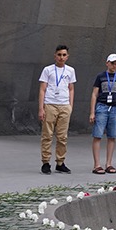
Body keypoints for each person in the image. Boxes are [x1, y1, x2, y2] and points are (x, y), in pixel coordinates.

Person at [38, 45, 76, 174]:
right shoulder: (48, 70)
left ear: (67, 56)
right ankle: (46, 162)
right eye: (59, 55)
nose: (61, 57)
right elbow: (42, 89)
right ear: (55, 56)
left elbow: (71, 89)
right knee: (47, 135)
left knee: (62, 136)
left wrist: (70, 105)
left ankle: (60, 162)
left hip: (64, 105)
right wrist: (41, 108)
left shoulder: (70, 70)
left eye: (64, 55)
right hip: (50, 104)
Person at [90, 54, 116, 174]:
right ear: (107, 63)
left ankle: (108, 163)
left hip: (115, 108)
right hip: (102, 106)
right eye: (112, 63)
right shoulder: (100, 77)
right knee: (98, 135)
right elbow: (94, 94)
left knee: (112, 136)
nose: (114, 66)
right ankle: (96, 164)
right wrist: (92, 111)